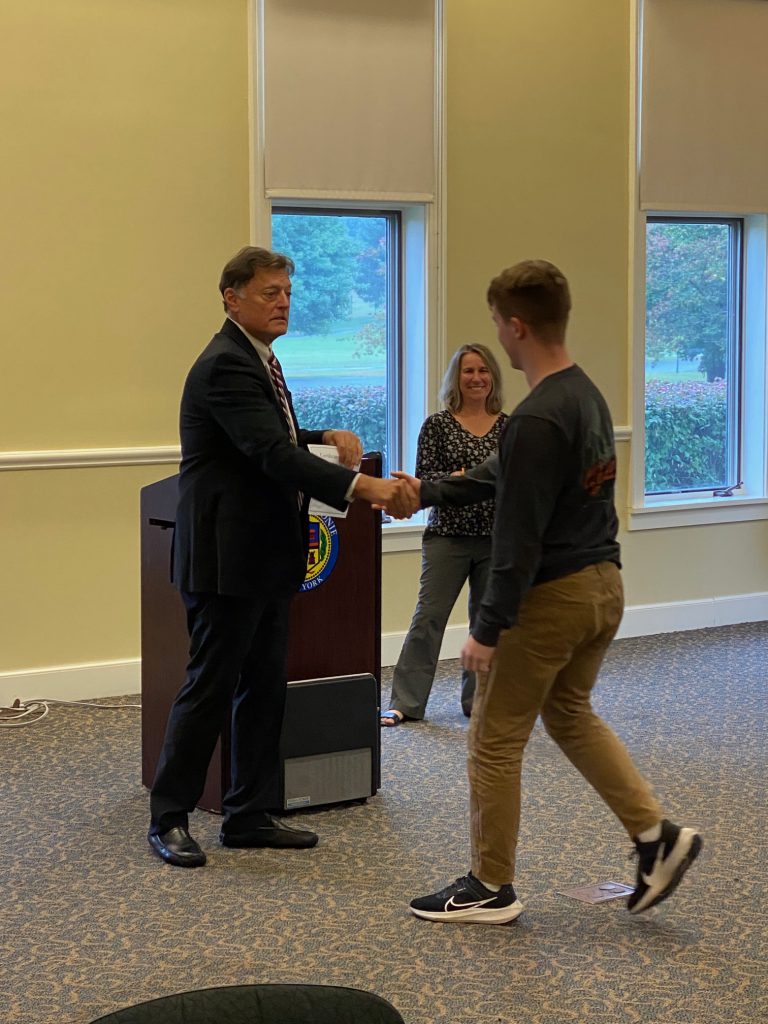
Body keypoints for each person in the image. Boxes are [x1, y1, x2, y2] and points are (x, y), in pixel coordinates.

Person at [398, 260, 702, 922]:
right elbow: (498, 474)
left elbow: (518, 535)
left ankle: (489, 886)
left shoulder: (536, 416)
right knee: (568, 713)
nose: (496, 342)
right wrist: (426, 490)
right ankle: (658, 836)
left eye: (497, 328)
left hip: (552, 598)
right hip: (603, 585)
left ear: (516, 327)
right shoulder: (583, 394)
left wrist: (487, 626)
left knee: (492, 737)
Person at [148, 245, 415, 868]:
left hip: (266, 555)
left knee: (264, 686)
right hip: (225, 559)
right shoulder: (224, 364)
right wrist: (361, 487)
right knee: (210, 687)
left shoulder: (260, 360)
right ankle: (169, 818)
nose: (283, 303)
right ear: (230, 296)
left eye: (287, 293)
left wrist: (323, 436)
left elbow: (271, 438)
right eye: (270, 293)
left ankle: (248, 812)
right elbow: (269, 453)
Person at [381, 344, 507, 726]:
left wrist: (461, 479)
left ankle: (480, 702)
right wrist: (466, 482)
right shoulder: (437, 425)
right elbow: (426, 482)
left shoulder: (510, 426)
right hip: (446, 538)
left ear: (493, 377)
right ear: (456, 378)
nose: (476, 378)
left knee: (487, 625)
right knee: (428, 618)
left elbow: (515, 482)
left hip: (495, 539)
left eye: (483, 371)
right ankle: (406, 702)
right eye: (468, 371)